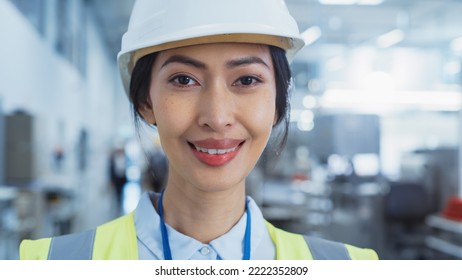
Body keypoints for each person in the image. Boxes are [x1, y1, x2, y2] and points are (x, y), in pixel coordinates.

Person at [19, 0, 379, 260]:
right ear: (146, 101)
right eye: (184, 79)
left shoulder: (350, 267)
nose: (217, 116)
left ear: (278, 103)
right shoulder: (49, 264)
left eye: (248, 79)